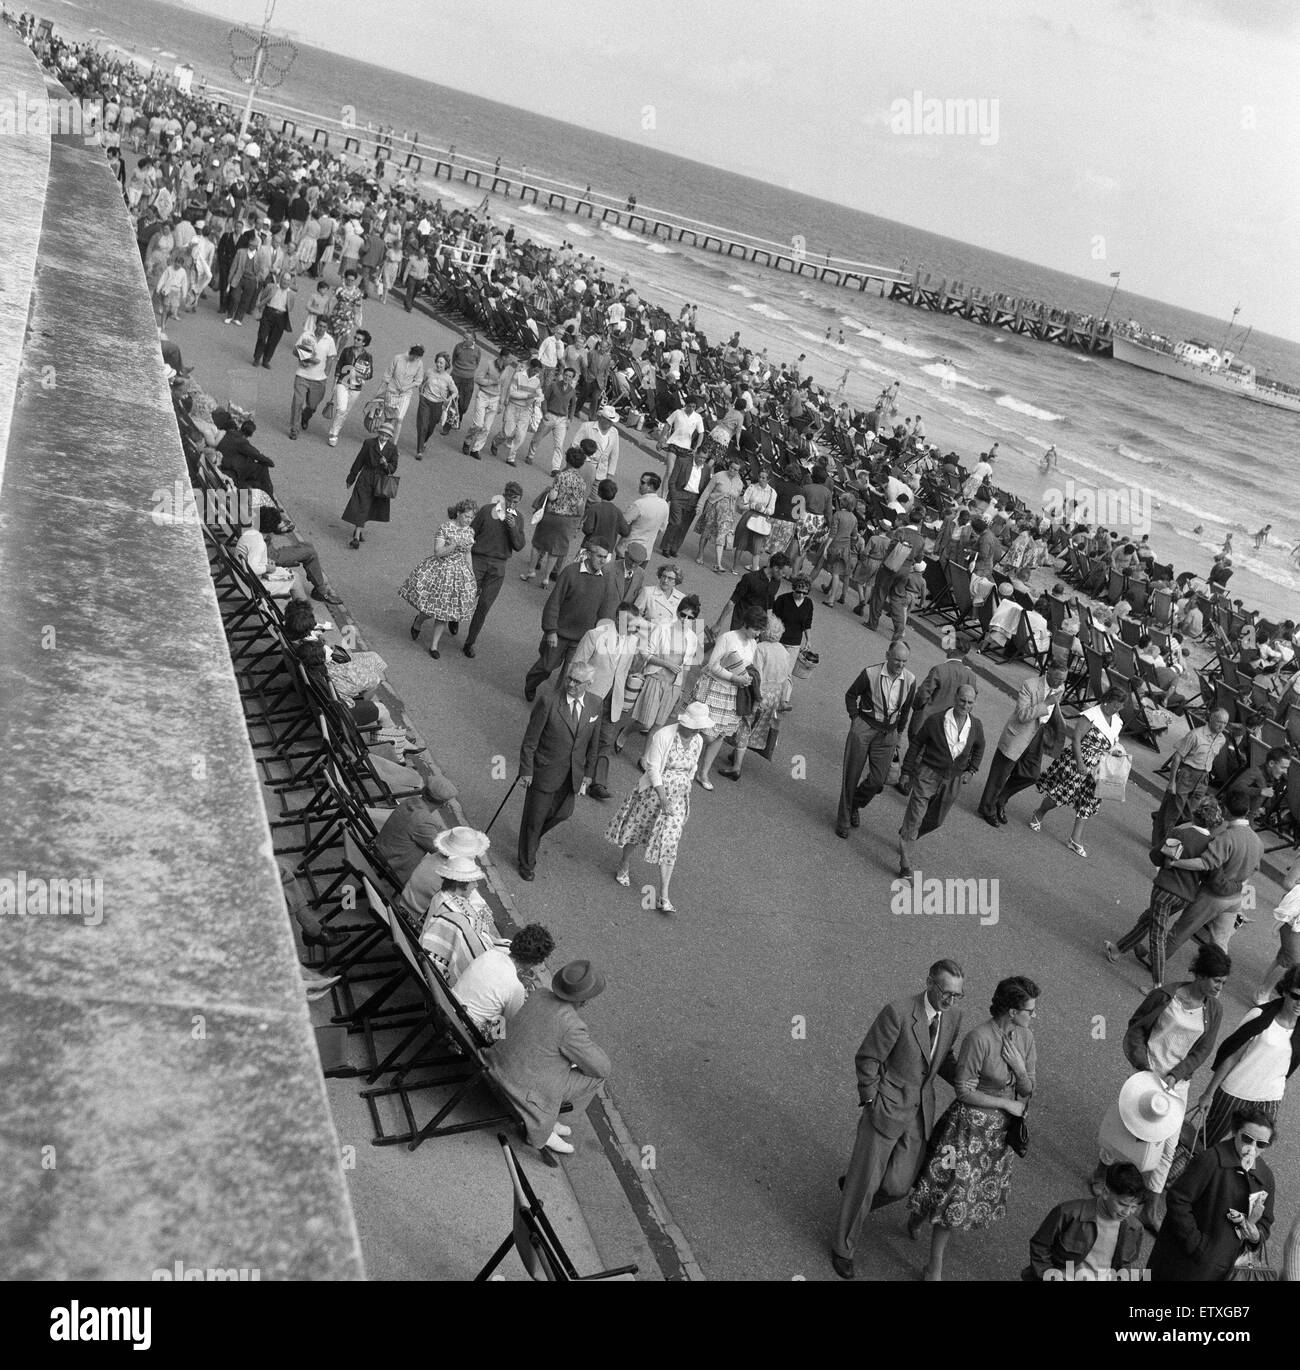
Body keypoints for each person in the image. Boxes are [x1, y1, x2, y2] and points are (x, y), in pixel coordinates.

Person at [829, 960, 966, 1279]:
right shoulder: (898, 1012)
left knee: (899, 1185)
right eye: (946, 993)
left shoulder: (954, 1017)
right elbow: (868, 1058)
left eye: (958, 995)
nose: (951, 1001)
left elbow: (942, 1058)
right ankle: (842, 1248)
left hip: (919, 1115)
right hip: (886, 1109)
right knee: (866, 1183)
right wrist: (870, 1098)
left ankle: (853, 1196)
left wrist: (966, 1080)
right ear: (930, 983)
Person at [907, 975, 1039, 1281]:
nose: (1034, 1016)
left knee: (951, 1191)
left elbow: (1028, 1087)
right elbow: (963, 1091)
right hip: (968, 1129)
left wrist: (1019, 1069)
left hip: (996, 1138)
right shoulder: (978, 1039)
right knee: (954, 1196)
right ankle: (934, 1269)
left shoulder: (1026, 1039)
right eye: (1029, 1011)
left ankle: (918, 1215)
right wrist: (1006, 1104)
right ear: (1012, 1012)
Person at [1111, 944, 1230, 1231]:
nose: (1219, 987)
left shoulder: (1214, 1010)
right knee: (1126, 1126)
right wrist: (1144, 1064)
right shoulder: (1165, 996)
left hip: (1177, 1084)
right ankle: (1104, 1172)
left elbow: (1202, 1050)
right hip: (1147, 1074)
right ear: (1200, 975)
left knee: (1168, 1145)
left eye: (1223, 983)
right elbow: (1136, 1027)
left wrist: (1177, 1076)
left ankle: (1149, 1208)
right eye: (1216, 981)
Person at [487, 959, 610, 1161]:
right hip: (522, 1088)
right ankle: (547, 1122)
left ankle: (550, 1118)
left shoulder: (540, 994)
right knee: (596, 1077)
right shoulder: (571, 1026)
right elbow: (603, 1067)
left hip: (499, 1064)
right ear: (585, 1000)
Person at [1147, 1105, 1276, 1282]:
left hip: (1224, 1267)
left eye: (1261, 1144)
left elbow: (1265, 1222)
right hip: (1183, 1261)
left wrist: (1255, 1235)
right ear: (1234, 1132)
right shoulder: (1210, 1160)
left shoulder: (1265, 1176)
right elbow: (1178, 1200)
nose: (1252, 1147)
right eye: (1247, 1138)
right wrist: (1197, 1245)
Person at [606, 701, 714, 913]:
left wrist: (684, 796)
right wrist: (663, 797)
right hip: (654, 794)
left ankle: (663, 895)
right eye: (695, 728)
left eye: (699, 728)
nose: (697, 732)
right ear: (685, 723)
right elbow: (653, 768)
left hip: (678, 799)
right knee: (638, 832)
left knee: (670, 843)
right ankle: (624, 863)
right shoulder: (663, 735)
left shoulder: (698, 741)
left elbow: (692, 769)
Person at [1106, 797, 1221, 988]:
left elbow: (1156, 856)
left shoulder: (1180, 833)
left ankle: (1158, 983)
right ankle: (1117, 949)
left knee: (1157, 935)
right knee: (1147, 919)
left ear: (1195, 814)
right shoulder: (1212, 844)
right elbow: (1211, 872)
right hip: (1186, 895)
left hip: (1166, 888)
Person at [1188, 967, 1300, 1147]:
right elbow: (1232, 1056)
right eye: (1296, 996)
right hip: (1235, 1092)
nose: (1299, 1003)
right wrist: (1208, 1093)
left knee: (1251, 1150)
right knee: (1206, 1143)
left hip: (1269, 1097)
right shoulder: (1260, 1015)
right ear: (1285, 991)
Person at [516, 662, 602, 881]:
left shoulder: (595, 704)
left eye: (577, 681)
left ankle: (531, 839)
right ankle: (526, 861)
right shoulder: (549, 702)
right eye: (569, 679)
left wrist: (589, 774)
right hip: (544, 771)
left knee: (563, 814)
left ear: (588, 684)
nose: (571, 684)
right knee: (534, 820)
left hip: (573, 774)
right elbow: (530, 740)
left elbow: (593, 744)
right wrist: (526, 770)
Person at [1029, 685, 1127, 859]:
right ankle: (1039, 813)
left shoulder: (1117, 721)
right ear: (1107, 701)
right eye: (1114, 706)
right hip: (1079, 761)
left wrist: (1117, 751)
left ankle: (1075, 839)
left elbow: (1112, 743)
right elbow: (1075, 740)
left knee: (1088, 802)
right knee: (1060, 794)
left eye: (1119, 708)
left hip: (1099, 768)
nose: (1115, 710)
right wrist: (1080, 763)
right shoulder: (1091, 715)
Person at [896, 684, 984, 878]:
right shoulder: (936, 720)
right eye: (962, 700)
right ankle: (905, 864)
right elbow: (917, 743)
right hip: (928, 773)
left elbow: (979, 748)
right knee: (915, 816)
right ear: (955, 698)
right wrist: (906, 771)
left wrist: (971, 770)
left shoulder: (976, 725)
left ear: (974, 703)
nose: (965, 705)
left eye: (970, 702)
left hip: (953, 779)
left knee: (936, 820)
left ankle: (908, 834)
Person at [1163, 787, 1264, 955]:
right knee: (1220, 943)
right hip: (1235, 898)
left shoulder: (1227, 837)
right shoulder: (1258, 841)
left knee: (1181, 930)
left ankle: (1154, 959)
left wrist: (1176, 863)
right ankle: (1218, 975)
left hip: (1212, 896)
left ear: (1224, 810)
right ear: (1246, 811)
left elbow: (1204, 863)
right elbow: (1254, 870)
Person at [837, 642, 917, 838]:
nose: (900, 665)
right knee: (851, 775)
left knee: (878, 781)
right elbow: (850, 695)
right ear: (887, 655)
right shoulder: (870, 673)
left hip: (888, 734)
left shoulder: (910, 680)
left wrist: (899, 734)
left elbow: (906, 710)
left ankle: (854, 803)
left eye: (904, 661)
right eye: (897, 660)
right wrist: (855, 718)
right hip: (864, 727)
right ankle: (843, 821)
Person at [523, 537, 618, 701]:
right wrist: (551, 630)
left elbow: (605, 611)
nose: (603, 560)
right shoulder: (571, 572)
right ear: (588, 554)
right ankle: (530, 684)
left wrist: (603, 636)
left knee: (571, 675)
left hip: (583, 639)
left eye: (605, 557)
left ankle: (558, 706)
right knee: (546, 667)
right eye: (599, 556)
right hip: (559, 633)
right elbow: (554, 602)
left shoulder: (605, 579)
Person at [570, 603, 649, 799]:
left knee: (605, 740)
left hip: (614, 697)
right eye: (627, 622)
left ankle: (599, 784)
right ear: (616, 617)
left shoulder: (633, 641)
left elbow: (629, 669)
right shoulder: (595, 635)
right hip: (591, 694)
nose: (631, 626)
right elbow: (577, 665)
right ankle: (572, 773)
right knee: (581, 736)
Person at [1022, 1162, 1146, 1281]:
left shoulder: (1135, 1228)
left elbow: (1125, 1265)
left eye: (1134, 1207)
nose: (1127, 1212)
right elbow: (1040, 1246)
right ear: (1106, 1192)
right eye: (1122, 1204)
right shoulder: (1068, 1213)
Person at [977, 666, 1066, 825]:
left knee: (1031, 775)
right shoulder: (1030, 685)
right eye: (1058, 678)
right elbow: (1022, 715)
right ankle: (987, 809)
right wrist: (1046, 703)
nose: (1060, 683)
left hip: (1038, 734)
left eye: (1063, 679)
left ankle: (1001, 799)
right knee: (1000, 775)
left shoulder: (1060, 688)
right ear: (1048, 672)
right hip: (1019, 733)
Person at [691, 603, 766, 790]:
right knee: (705, 733)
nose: (758, 633)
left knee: (720, 735)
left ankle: (703, 773)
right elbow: (713, 666)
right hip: (715, 688)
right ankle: (685, 764)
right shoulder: (728, 638)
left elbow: (749, 666)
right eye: (756, 629)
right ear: (747, 624)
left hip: (734, 693)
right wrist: (735, 677)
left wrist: (747, 679)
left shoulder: (753, 643)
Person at [719, 612, 795, 780]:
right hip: (775, 693)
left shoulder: (760, 648)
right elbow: (786, 677)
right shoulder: (784, 651)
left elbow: (756, 674)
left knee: (744, 725)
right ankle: (735, 754)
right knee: (756, 726)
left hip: (761, 691)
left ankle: (736, 767)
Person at [400, 498, 478, 659]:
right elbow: (438, 552)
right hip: (441, 571)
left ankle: (434, 646)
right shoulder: (445, 527)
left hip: (458, 574)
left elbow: (468, 553)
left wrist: (470, 573)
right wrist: (454, 545)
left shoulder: (470, 531)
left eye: (471, 518)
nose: (468, 520)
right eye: (466, 517)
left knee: (444, 613)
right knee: (431, 609)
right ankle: (419, 621)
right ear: (458, 513)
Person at [899, 636, 978, 793]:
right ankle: (923, 786)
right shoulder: (971, 677)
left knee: (918, 751)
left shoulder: (939, 670)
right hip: (951, 725)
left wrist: (916, 707)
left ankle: (909, 784)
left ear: (953, 649)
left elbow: (923, 694)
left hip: (928, 720)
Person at [453, 924, 555, 1040]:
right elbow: (511, 1024)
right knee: (506, 1022)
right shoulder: (516, 987)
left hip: (449, 1006)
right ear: (532, 962)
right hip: (465, 1032)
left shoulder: (490, 954)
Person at [461, 482, 525, 659]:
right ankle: (453, 618)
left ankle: (470, 642)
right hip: (478, 560)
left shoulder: (518, 519)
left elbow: (519, 545)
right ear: (503, 497)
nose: (512, 505)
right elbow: (470, 532)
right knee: (465, 596)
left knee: (484, 605)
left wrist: (512, 528)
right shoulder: (487, 510)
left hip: (499, 565)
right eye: (510, 501)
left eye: (516, 502)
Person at [521, 442, 597, 587]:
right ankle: (546, 578)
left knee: (538, 543)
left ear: (567, 460)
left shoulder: (561, 476)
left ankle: (531, 570)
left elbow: (553, 496)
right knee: (555, 550)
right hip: (568, 519)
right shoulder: (581, 482)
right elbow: (580, 503)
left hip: (553, 514)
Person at [1151, 709, 1229, 848]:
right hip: (1188, 773)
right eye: (1219, 722)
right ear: (1211, 718)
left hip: (1203, 776)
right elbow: (1177, 756)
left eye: (1225, 723)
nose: (1221, 726)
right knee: (1173, 810)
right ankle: (1162, 844)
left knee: (1191, 813)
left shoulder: (1221, 739)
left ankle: (1175, 839)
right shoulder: (1195, 735)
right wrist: (1172, 782)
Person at [375, 775, 460, 889]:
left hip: (381, 854)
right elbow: (444, 852)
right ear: (444, 804)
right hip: (394, 869)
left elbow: (432, 827)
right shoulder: (423, 822)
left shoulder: (411, 802)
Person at [342, 420, 399, 550]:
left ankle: (359, 529)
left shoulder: (393, 448)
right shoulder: (369, 443)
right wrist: (351, 478)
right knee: (363, 505)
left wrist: (386, 465)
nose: (383, 437)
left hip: (380, 482)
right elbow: (359, 460)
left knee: (369, 507)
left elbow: (393, 467)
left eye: (386, 436)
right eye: (382, 434)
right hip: (365, 478)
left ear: (390, 437)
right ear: (379, 433)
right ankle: (356, 538)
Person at [1253, 853, 1300, 1006]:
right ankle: (1263, 992)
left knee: (1285, 955)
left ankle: (1263, 987)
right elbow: (1288, 883)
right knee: (1292, 959)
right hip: (1293, 914)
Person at [713, 554, 788, 636]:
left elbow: (769, 606)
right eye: (783, 573)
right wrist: (718, 624)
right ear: (776, 568)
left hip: (757, 628)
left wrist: (767, 628)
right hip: (741, 624)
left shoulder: (776, 582)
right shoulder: (750, 578)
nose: (784, 576)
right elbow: (732, 602)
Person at [659, 443, 713, 557]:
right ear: (695, 454)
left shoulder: (707, 469)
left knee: (684, 526)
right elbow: (672, 480)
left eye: (704, 458)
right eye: (700, 457)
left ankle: (674, 548)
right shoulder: (683, 461)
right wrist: (674, 496)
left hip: (694, 498)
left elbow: (705, 486)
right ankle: (666, 547)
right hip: (679, 495)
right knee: (675, 522)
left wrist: (701, 503)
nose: (702, 460)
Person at [288, 314, 336, 439]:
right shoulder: (306, 335)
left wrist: (326, 373)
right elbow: (294, 350)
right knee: (297, 402)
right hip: (302, 375)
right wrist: (304, 356)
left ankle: (306, 416)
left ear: (327, 328)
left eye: (324, 327)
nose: (321, 328)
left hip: (319, 379)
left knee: (312, 406)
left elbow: (331, 358)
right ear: (316, 324)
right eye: (320, 325)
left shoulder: (329, 340)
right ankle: (294, 429)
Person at [694, 455, 745, 573]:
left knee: (721, 535)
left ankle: (718, 563)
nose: (732, 471)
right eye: (731, 468)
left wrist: (737, 513)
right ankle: (700, 553)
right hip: (713, 507)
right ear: (729, 466)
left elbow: (737, 501)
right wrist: (700, 506)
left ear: (739, 471)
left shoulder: (740, 483)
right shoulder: (719, 476)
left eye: (736, 469)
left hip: (727, 512)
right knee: (706, 532)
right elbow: (707, 491)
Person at [326, 327, 373, 447]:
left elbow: (370, 375)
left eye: (359, 339)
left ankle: (335, 429)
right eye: (355, 338)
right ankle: (334, 433)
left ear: (364, 343)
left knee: (346, 411)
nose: (355, 340)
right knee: (341, 408)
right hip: (343, 382)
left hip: (356, 387)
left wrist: (361, 374)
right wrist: (335, 383)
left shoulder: (368, 357)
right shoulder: (347, 351)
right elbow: (339, 366)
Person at [732, 468, 777, 572]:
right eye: (760, 477)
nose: (761, 479)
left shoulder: (772, 492)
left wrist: (763, 509)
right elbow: (742, 504)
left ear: (768, 479)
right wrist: (752, 505)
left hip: (761, 518)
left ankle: (755, 569)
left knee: (757, 546)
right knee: (741, 542)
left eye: (764, 478)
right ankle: (735, 565)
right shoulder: (752, 487)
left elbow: (771, 510)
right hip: (749, 516)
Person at [414, 350, 457, 459]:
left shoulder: (448, 378)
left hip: (438, 404)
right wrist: (421, 395)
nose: (438, 364)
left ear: (446, 364)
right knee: (422, 425)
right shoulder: (429, 372)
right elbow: (422, 383)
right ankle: (419, 451)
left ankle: (424, 440)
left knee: (430, 427)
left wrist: (450, 398)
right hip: (425, 401)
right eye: (437, 362)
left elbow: (455, 392)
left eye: (441, 363)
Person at [622, 471, 671, 561]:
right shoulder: (664, 505)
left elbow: (622, 524)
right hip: (645, 553)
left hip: (628, 550)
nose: (640, 485)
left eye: (643, 483)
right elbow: (662, 528)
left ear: (650, 486)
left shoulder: (639, 504)